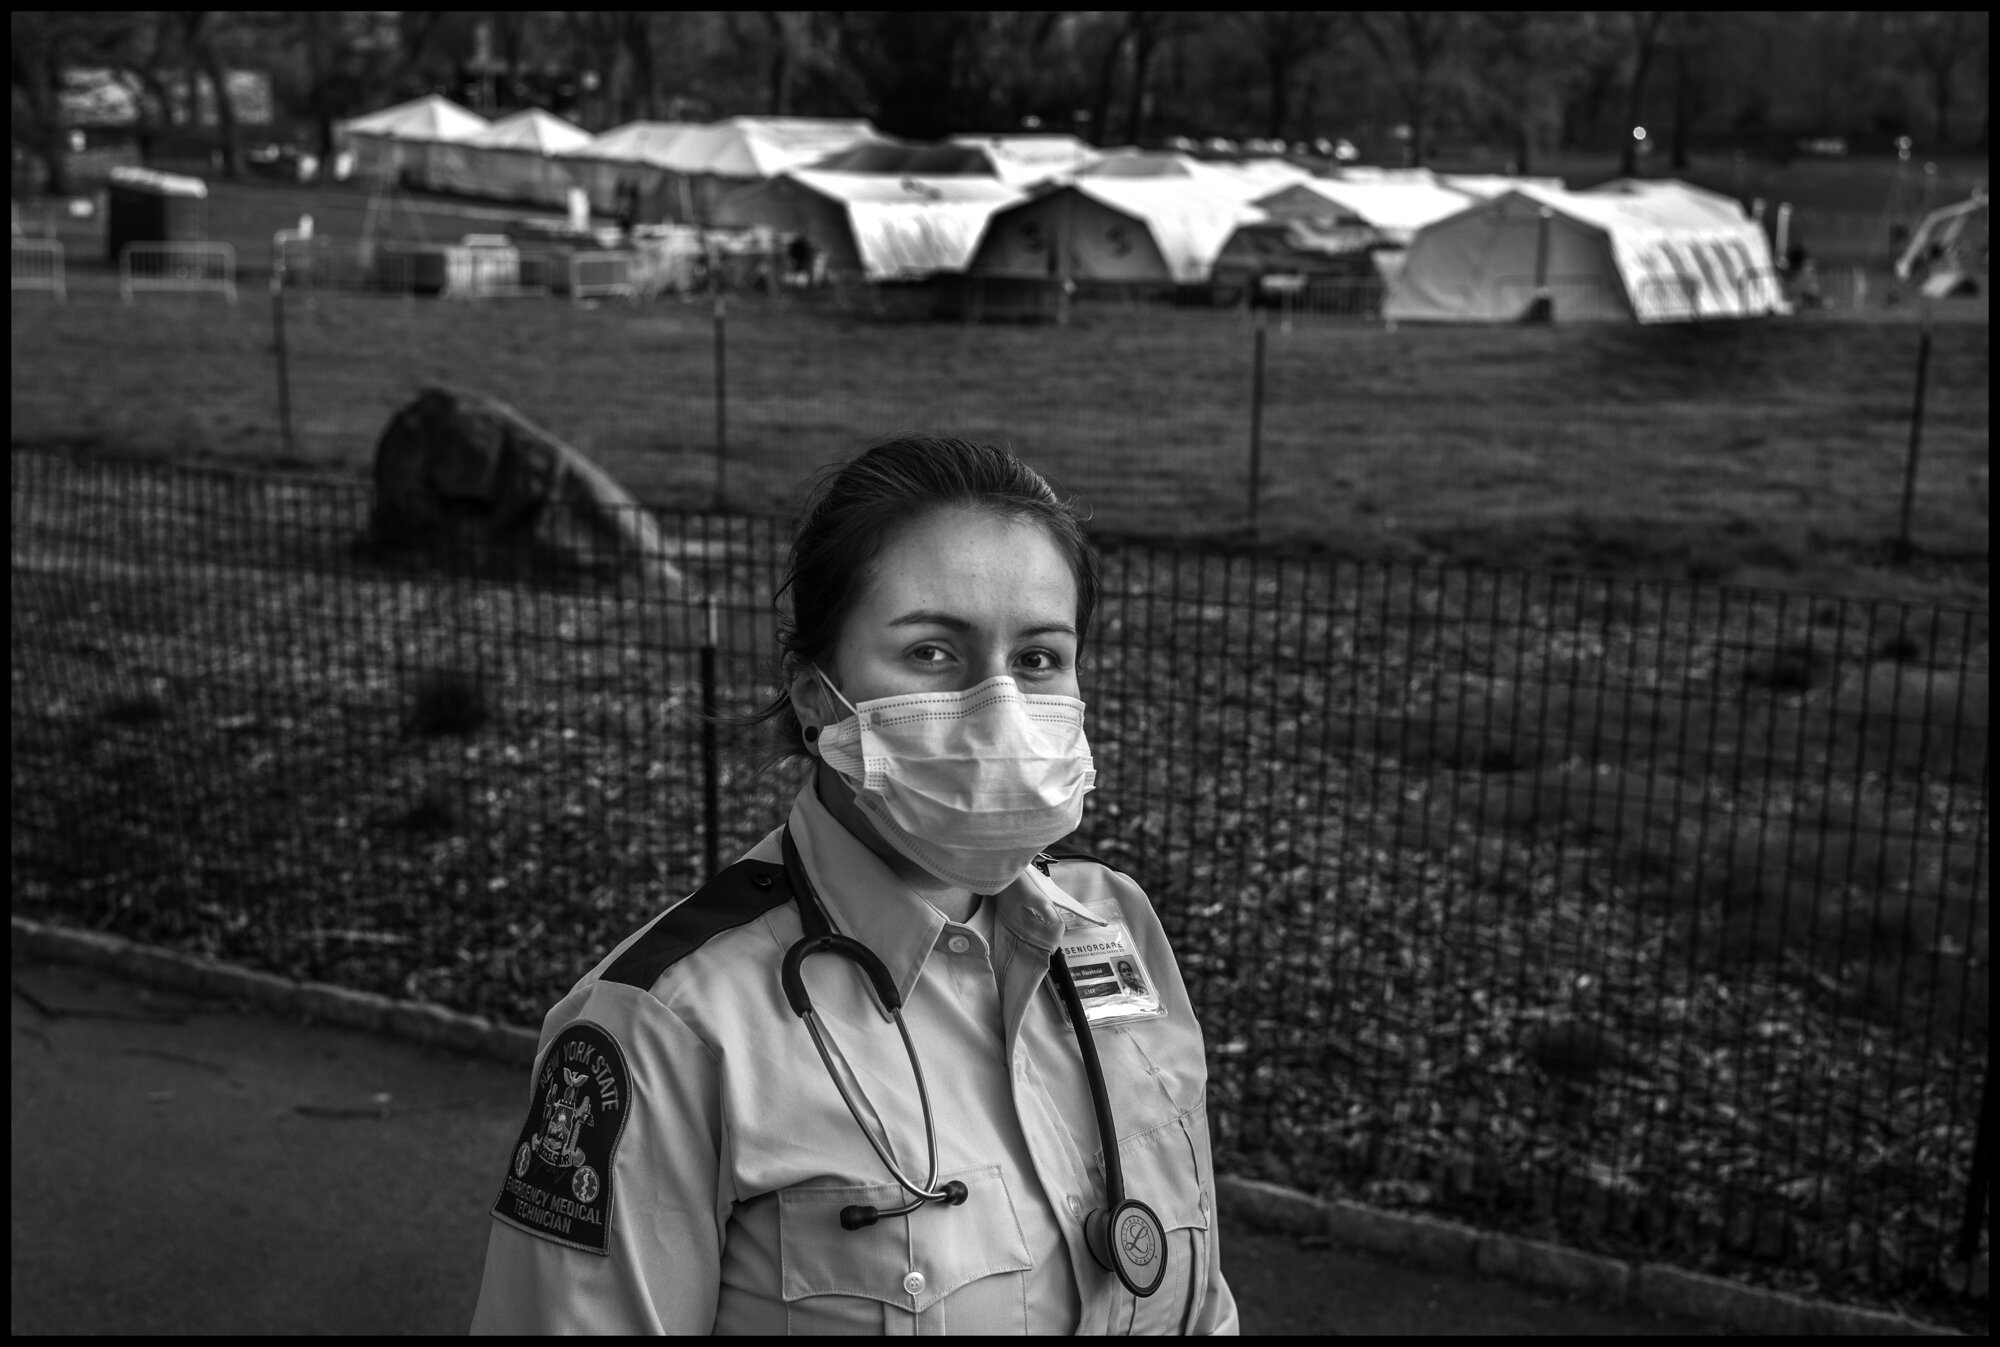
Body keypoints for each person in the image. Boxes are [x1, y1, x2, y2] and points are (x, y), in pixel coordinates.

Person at [470, 436, 1238, 1334]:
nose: (1001, 708)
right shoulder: (664, 1028)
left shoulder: (1118, 930)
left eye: (1038, 659)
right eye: (931, 652)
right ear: (813, 694)